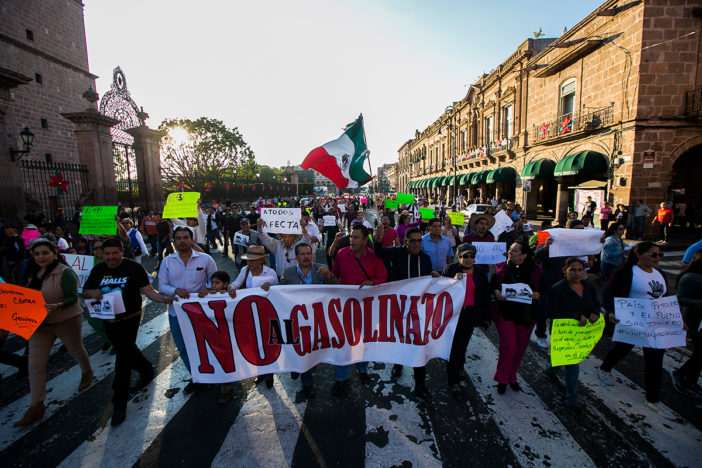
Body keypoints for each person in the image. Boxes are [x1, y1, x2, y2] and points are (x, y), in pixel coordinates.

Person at [82, 238, 173, 426]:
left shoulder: (134, 268)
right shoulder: (98, 269)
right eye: (106, 253)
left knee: (122, 359)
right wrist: (92, 293)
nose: (110, 257)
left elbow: (148, 291)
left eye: (115, 253)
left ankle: (119, 401)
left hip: (130, 318)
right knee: (127, 349)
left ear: (122, 252)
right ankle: (146, 369)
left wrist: (165, 299)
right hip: (108, 320)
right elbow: (85, 291)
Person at [13, 238, 93, 427]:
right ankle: (36, 406)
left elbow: (73, 297)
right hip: (39, 325)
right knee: (35, 364)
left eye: (45, 253)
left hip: (66, 320)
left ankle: (87, 371)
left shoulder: (64, 273)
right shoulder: (30, 271)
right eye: (37, 254)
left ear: (54, 254)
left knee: (75, 350)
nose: (40, 257)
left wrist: (58, 305)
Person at [597, 242, 674, 419]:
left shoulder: (660, 273)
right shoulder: (627, 272)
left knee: (655, 360)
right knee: (622, 349)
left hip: (654, 323)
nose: (657, 258)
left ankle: (653, 398)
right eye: (653, 254)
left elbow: (664, 298)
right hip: (632, 321)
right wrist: (610, 312)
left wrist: (675, 319)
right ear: (639, 255)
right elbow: (607, 293)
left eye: (659, 255)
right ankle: (604, 368)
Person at [374, 224, 435, 398]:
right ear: (405, 242)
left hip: (418, 310)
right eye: (412, 242)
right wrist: (378, 238)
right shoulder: (397, 252)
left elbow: (429, 279)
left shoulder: (425, 258)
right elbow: (379, 252)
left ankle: (420, 383)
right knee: (400, 340)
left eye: (419, 241)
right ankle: (398, 365)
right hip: (399, 307)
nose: (416, 245)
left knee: (419, 345)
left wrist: (435, 277)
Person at [158, 226, 217, 394]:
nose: (182, 241)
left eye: (185, 237)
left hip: (201, 312)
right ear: (174, 241)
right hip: (177, 313)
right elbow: (162, 286)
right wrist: (175, 291)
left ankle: (213, 373)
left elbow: (215, 281)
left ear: (192, 240)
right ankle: (196, 376)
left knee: (205, 345)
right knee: (183, 347)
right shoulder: (167, 261)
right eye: (178, 238)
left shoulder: (205, 259)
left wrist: (208, 289)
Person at [330, 223, 388, 397]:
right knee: (342, 343)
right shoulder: (341, 254)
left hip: (366, 310)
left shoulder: (375, 257)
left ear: (365, 240)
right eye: (351, 236)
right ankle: (341, 377)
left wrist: (372, 283)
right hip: (344, 309)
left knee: (364, 341)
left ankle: (362, 369)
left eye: (356, 237)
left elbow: (384, 278)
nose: (351, 240)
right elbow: (335, 275)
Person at [280, 242, 336, 399]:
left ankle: (307, 382)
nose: (306, 256)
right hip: (296, 322)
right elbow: (279, 294)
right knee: (298, 349)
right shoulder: (288, 273)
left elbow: (337, 289)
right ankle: (296, 366)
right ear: (296, 257)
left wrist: (329, 276)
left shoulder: (321, 269)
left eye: (308, 253)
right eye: (302, 254)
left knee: (311, 351)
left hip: (316, 320)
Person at [491, 240, 543, 394]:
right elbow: (493, 284)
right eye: (510, 250)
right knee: (509, 346)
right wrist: (497, 293)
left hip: (527, 314)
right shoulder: (501, 267)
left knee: (520, 348)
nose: (509, 252)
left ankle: (512, 376)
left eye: (514, 251)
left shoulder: (536, 270)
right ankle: (502, 378)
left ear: (524, 255)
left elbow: (543, 288)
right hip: (506, 313)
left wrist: (537, 294)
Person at [547, 257, 600, 408]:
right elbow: (552, 312)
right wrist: (575, 316)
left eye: (580, 270)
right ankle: (572, 396)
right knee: (572, 362)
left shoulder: (588, 286)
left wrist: (595, 312)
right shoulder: (557, 289)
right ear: (565, 271)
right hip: (564, 331)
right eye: (573, 270)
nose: (577, 273)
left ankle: (552, 367)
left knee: (564, 358)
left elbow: (596, 303)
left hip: (582, 330)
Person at [441, 243, 491, 398]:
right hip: (454, 316)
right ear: (459, 257)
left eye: (472, 257)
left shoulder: (480, 272)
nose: (469, 259)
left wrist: (486, 316)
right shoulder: (451, 270)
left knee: (463, 344)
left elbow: (485, 295)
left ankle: (460, 366)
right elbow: (441, 291)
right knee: (454, 348)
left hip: (470, 315)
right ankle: (453, 380)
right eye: (465, 256)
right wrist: (452, 282)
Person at [229, 245, 278, 388]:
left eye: (254, 260)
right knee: (254, 343)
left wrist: (269, 285)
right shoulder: (244, 271)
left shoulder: (271, 273)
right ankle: (260, 371)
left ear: (262, 260)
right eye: (249, 259)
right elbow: (236, 284)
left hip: (266, 314)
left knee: (268, 343)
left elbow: (276, 287)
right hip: (249, 314)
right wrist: (231, 288)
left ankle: (270, 372)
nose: (250, 262)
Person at [198, 270, 237, 403]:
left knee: (227, 357)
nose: (214, 285)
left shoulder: (230, 294)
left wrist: (229, 290)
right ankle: (213, 379)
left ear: (225, 284)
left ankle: (226, 386)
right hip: (212, 332)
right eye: (212, 283)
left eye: (217, 283)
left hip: (227, 332)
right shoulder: (208, 294)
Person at [669, 250, 702, 394]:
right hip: (694, 320)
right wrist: (698, 303)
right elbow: (679, 298)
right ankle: (684, 375)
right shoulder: (690, 277)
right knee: (700, 353)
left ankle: (690, 379)